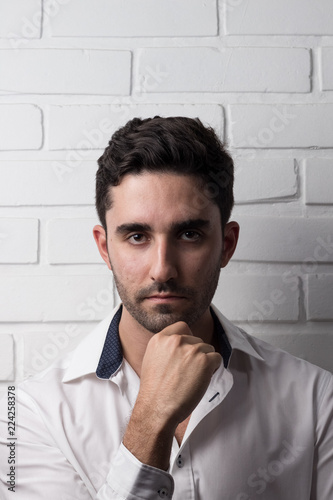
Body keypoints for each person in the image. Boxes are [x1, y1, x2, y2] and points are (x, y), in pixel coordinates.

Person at [0, 116, 333, 500]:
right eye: (137, 236)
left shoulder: (315, 399)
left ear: (226, 245)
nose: (163, 269)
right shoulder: (26, 414)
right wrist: (151, 420)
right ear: (105, 248)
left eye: (189, 234)